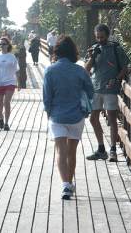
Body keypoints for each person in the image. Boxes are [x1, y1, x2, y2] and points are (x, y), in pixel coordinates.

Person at [43, 35, 94, 200]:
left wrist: (48, 113)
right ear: (73, 52)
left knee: (60, 151)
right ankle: (69, 182)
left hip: (57, 116)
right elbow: (91, 91)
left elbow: (47, 96)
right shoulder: (80, 70)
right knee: (72, 152)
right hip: (76, 116)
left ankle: (65, 185)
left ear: (57, 51)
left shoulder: (50, 70)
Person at [84, 24, 129, 162]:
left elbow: (125, 68)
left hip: (110, 89)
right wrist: (92, 56)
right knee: (93, 118)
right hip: (96, 88)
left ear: (107, 35)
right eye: (97, 37)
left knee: (112, 119)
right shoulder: (94, 48)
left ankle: (113, 150)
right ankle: (101, 148)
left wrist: (116, 80)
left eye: (102, 37)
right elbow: (86, 69)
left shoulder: (116, 49)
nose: (99, 39)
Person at [0, 37, 20, 131]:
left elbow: (17, 70)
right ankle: (1, 118)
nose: (2, 46)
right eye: (0, 44)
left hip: (10, 82)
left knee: (6, 102)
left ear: (8, 45)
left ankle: (7, 123)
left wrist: (18, 82)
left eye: (3, 44)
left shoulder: (12, 57)